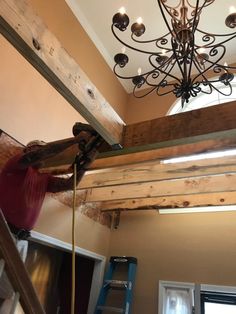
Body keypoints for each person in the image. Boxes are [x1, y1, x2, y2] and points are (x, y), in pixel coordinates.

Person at [0, 123, 103, 238]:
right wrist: (75, 140)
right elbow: (39, 155)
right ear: (28, 149)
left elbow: (69, 185)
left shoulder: (44, 177)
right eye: (40, 148)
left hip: (21, 237)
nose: (47, 157)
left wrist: (85, 164)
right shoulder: (16, 163)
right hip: (4, 231)